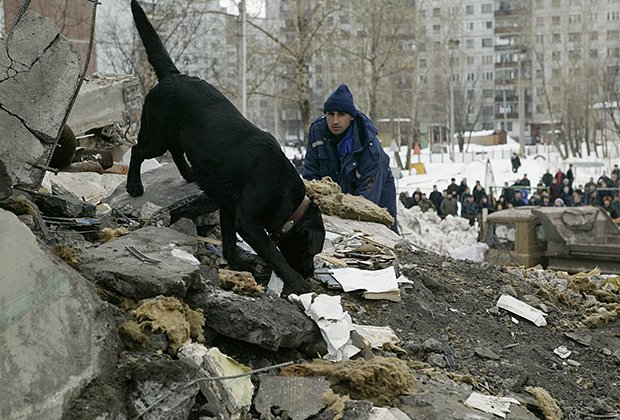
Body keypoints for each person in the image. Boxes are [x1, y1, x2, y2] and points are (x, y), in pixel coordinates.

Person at [303, 84, 398, 233]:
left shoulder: (370, 149)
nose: (335, 121)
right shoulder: (317, 131)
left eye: (341, 115)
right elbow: (311, 177)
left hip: (374, 195)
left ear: (351, 117)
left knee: (377, 239)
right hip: (340, 194)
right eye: (330, 114)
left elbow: (365, 204)